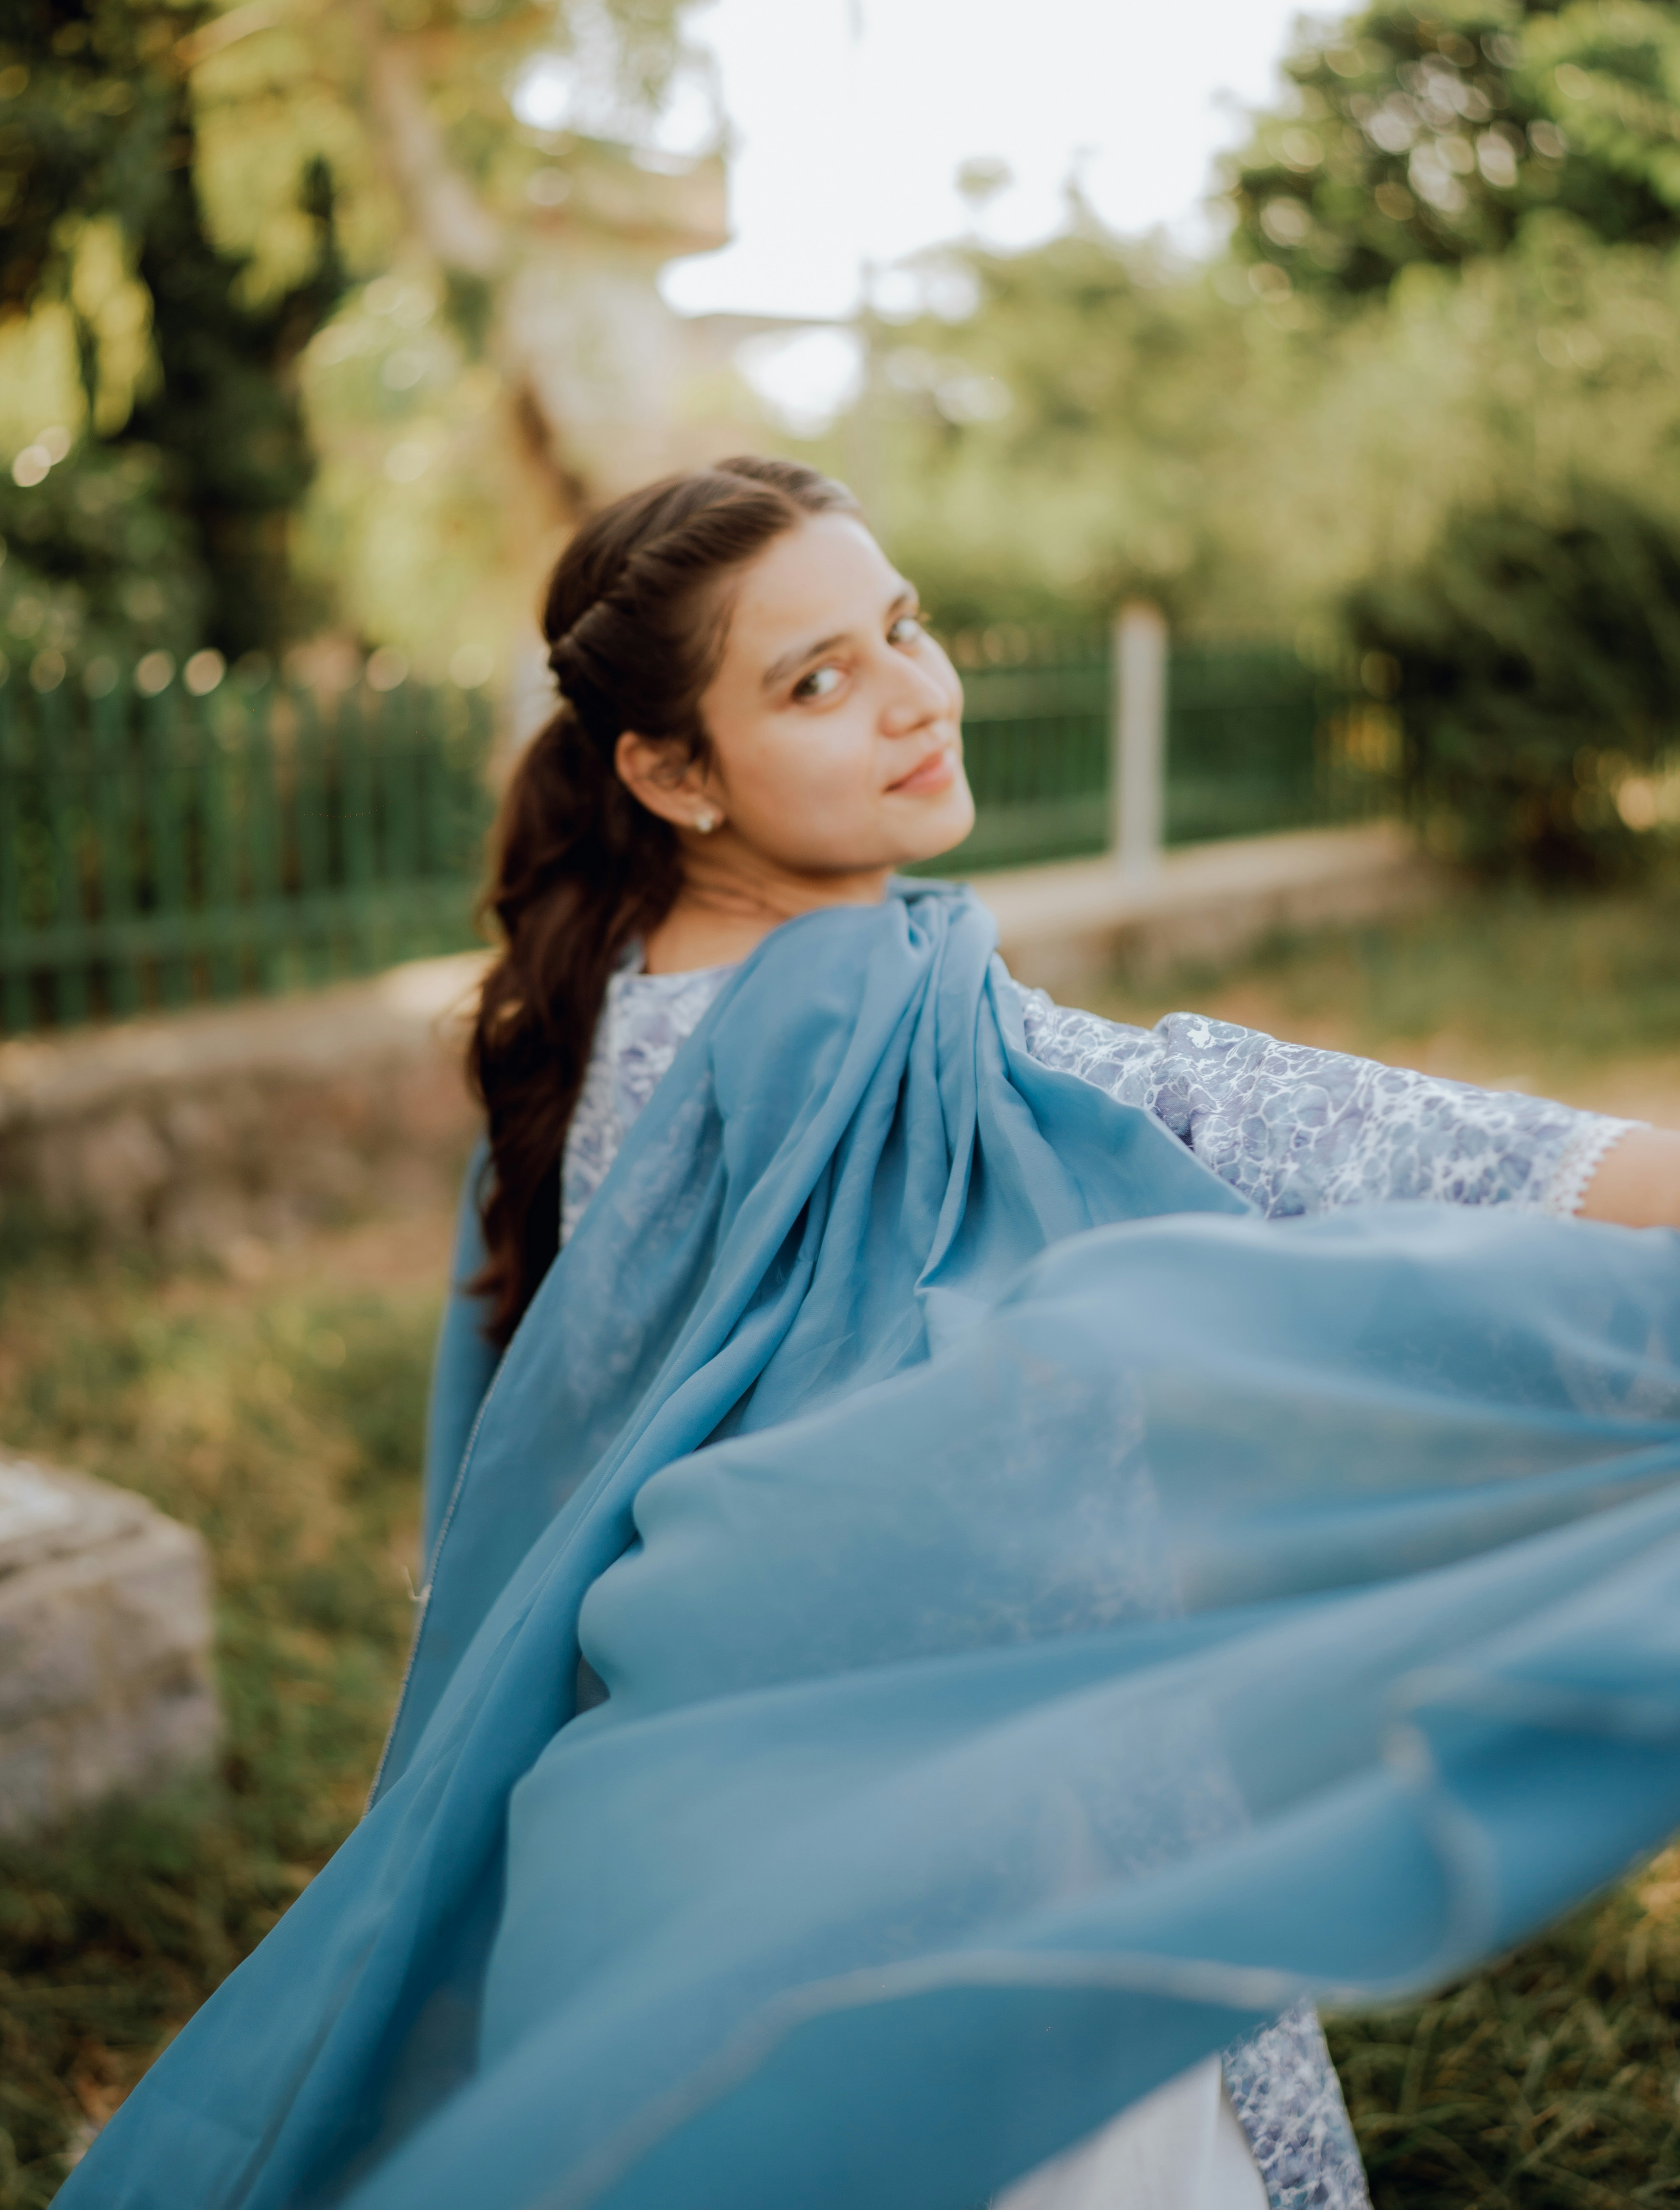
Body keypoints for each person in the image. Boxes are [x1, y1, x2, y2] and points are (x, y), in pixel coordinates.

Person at [63, 460, 1680, 2210]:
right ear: (671, 773)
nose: (917, 695)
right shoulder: (857, 1024)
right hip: (966, 1850)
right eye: (817, 680)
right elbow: (1260, 1122)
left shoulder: (602, 1008)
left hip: (678, 1834)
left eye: (903, 626)